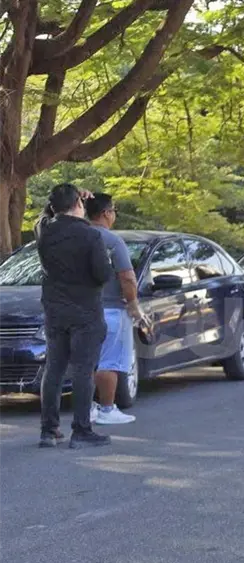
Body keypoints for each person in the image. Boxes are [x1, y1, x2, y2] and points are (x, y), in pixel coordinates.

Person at [35, 184, 115, 449]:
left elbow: (46, 214)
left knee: (54, 369)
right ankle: (81, 430)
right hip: (86, 311)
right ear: (79, 206)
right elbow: (103, 274)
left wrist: (63, 200)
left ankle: (49, 430)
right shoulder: (90, 235)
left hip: (55, 311)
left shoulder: (44, 231)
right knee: (83, 369)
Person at [85, 193, 149, 426]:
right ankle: (107, 408)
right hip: (111, 309)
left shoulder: (78, 238)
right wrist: (133, 305)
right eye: (113, 211)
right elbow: (127, 277)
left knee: (87, 362)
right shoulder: (112, 241)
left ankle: (88, 407)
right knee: (109, 362)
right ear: (105, 213)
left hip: (82, 309)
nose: (114, 215)